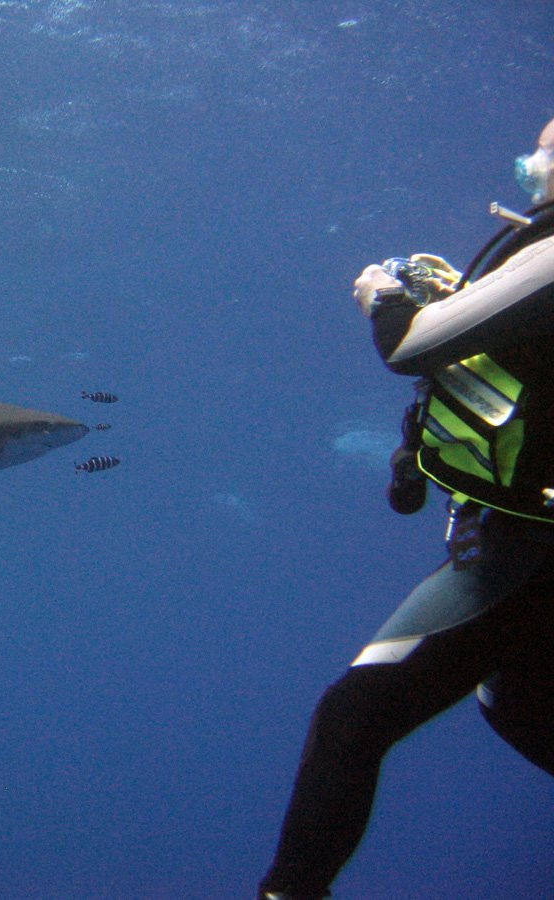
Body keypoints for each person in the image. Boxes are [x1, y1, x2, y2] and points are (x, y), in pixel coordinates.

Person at [258, 116, 554, 899]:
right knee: (520, 709)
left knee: (353, 717)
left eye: (547, 150)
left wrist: (382, 294)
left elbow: (413, 349)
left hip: (534, 548)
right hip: (517, 533)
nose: (530, 162)